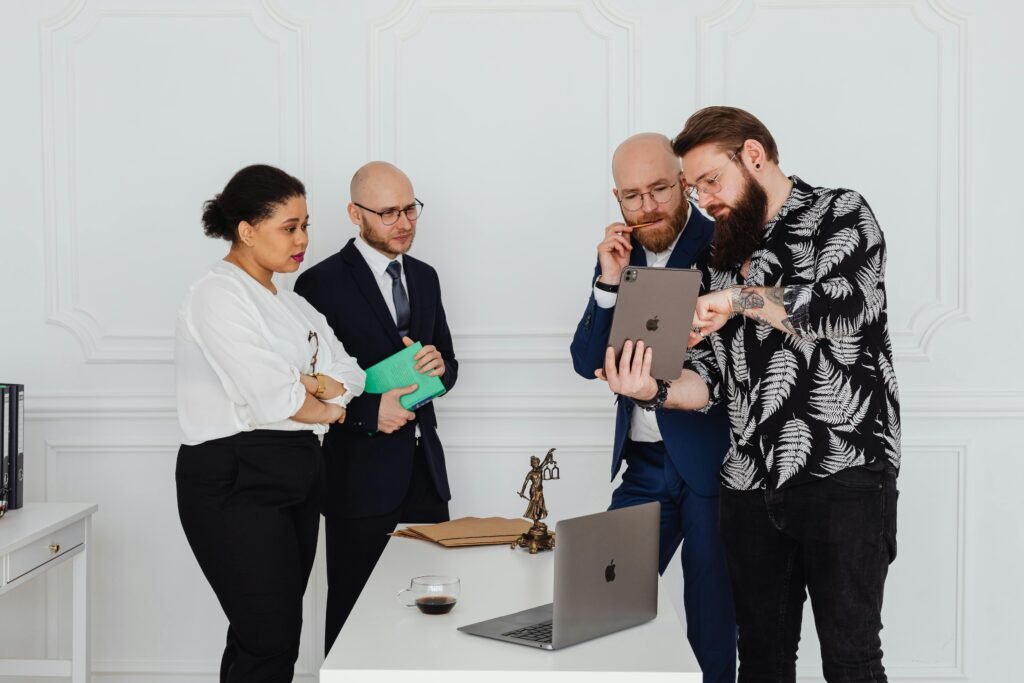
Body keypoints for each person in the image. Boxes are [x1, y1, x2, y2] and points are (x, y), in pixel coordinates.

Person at [602, 107, 901, 682]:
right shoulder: (720, 252)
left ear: (755, 155)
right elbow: (707, 381)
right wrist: (652, 388)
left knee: (851, 660)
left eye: (712, 180)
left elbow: (848, 309)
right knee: (761, 661)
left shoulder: (840, 211)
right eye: (694, 188)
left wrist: (740, 301)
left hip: (842, 476)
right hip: (747, 485)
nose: (704, 198)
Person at [175, 164, 366, 682]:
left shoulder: (296, 304)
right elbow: (272, 398)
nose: (303, 239)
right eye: (290, 227)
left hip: (300, 470)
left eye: (306, 224)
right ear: (247, 230)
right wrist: (319, 395)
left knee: (262, 633)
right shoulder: (218, 294)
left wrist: (312, 386)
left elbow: (351, 375)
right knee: (269, 637)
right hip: (234, 475)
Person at [570, 133, 736, 683]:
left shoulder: (727, 243)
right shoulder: (622, 254)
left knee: (712, 621)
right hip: (643, 466)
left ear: (684, 183)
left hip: (716, 465)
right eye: (631, 196)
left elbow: (736, 366)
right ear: (615, 197)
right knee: (599, 601)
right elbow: (587, 361)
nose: (647, 207)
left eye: (660, 189)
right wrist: (608, 281)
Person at [294, 161, 458, 654]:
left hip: (425, 474)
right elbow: (307, 389)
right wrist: (369, 412)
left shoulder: (425, 277)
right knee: (354, 614)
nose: (404, 222)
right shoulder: (318, 284)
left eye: (411, 209)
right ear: (354, 213)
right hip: (356, 477)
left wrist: (438, 366)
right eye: (388, 213)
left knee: (434, 608)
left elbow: (449, 364)